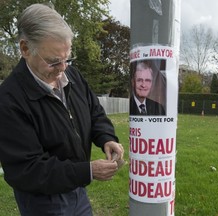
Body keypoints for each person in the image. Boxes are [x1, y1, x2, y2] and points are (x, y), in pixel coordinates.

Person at [0, 4, 124, 216]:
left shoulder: (73, 76)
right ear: (25, 49)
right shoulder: (9, 99)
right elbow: (28, 169)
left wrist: (106, 138)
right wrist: (87, 171)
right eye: (53, 61)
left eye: (67, 58)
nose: (63, 68)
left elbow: (94, 113)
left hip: (76, 189)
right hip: (42, 202)